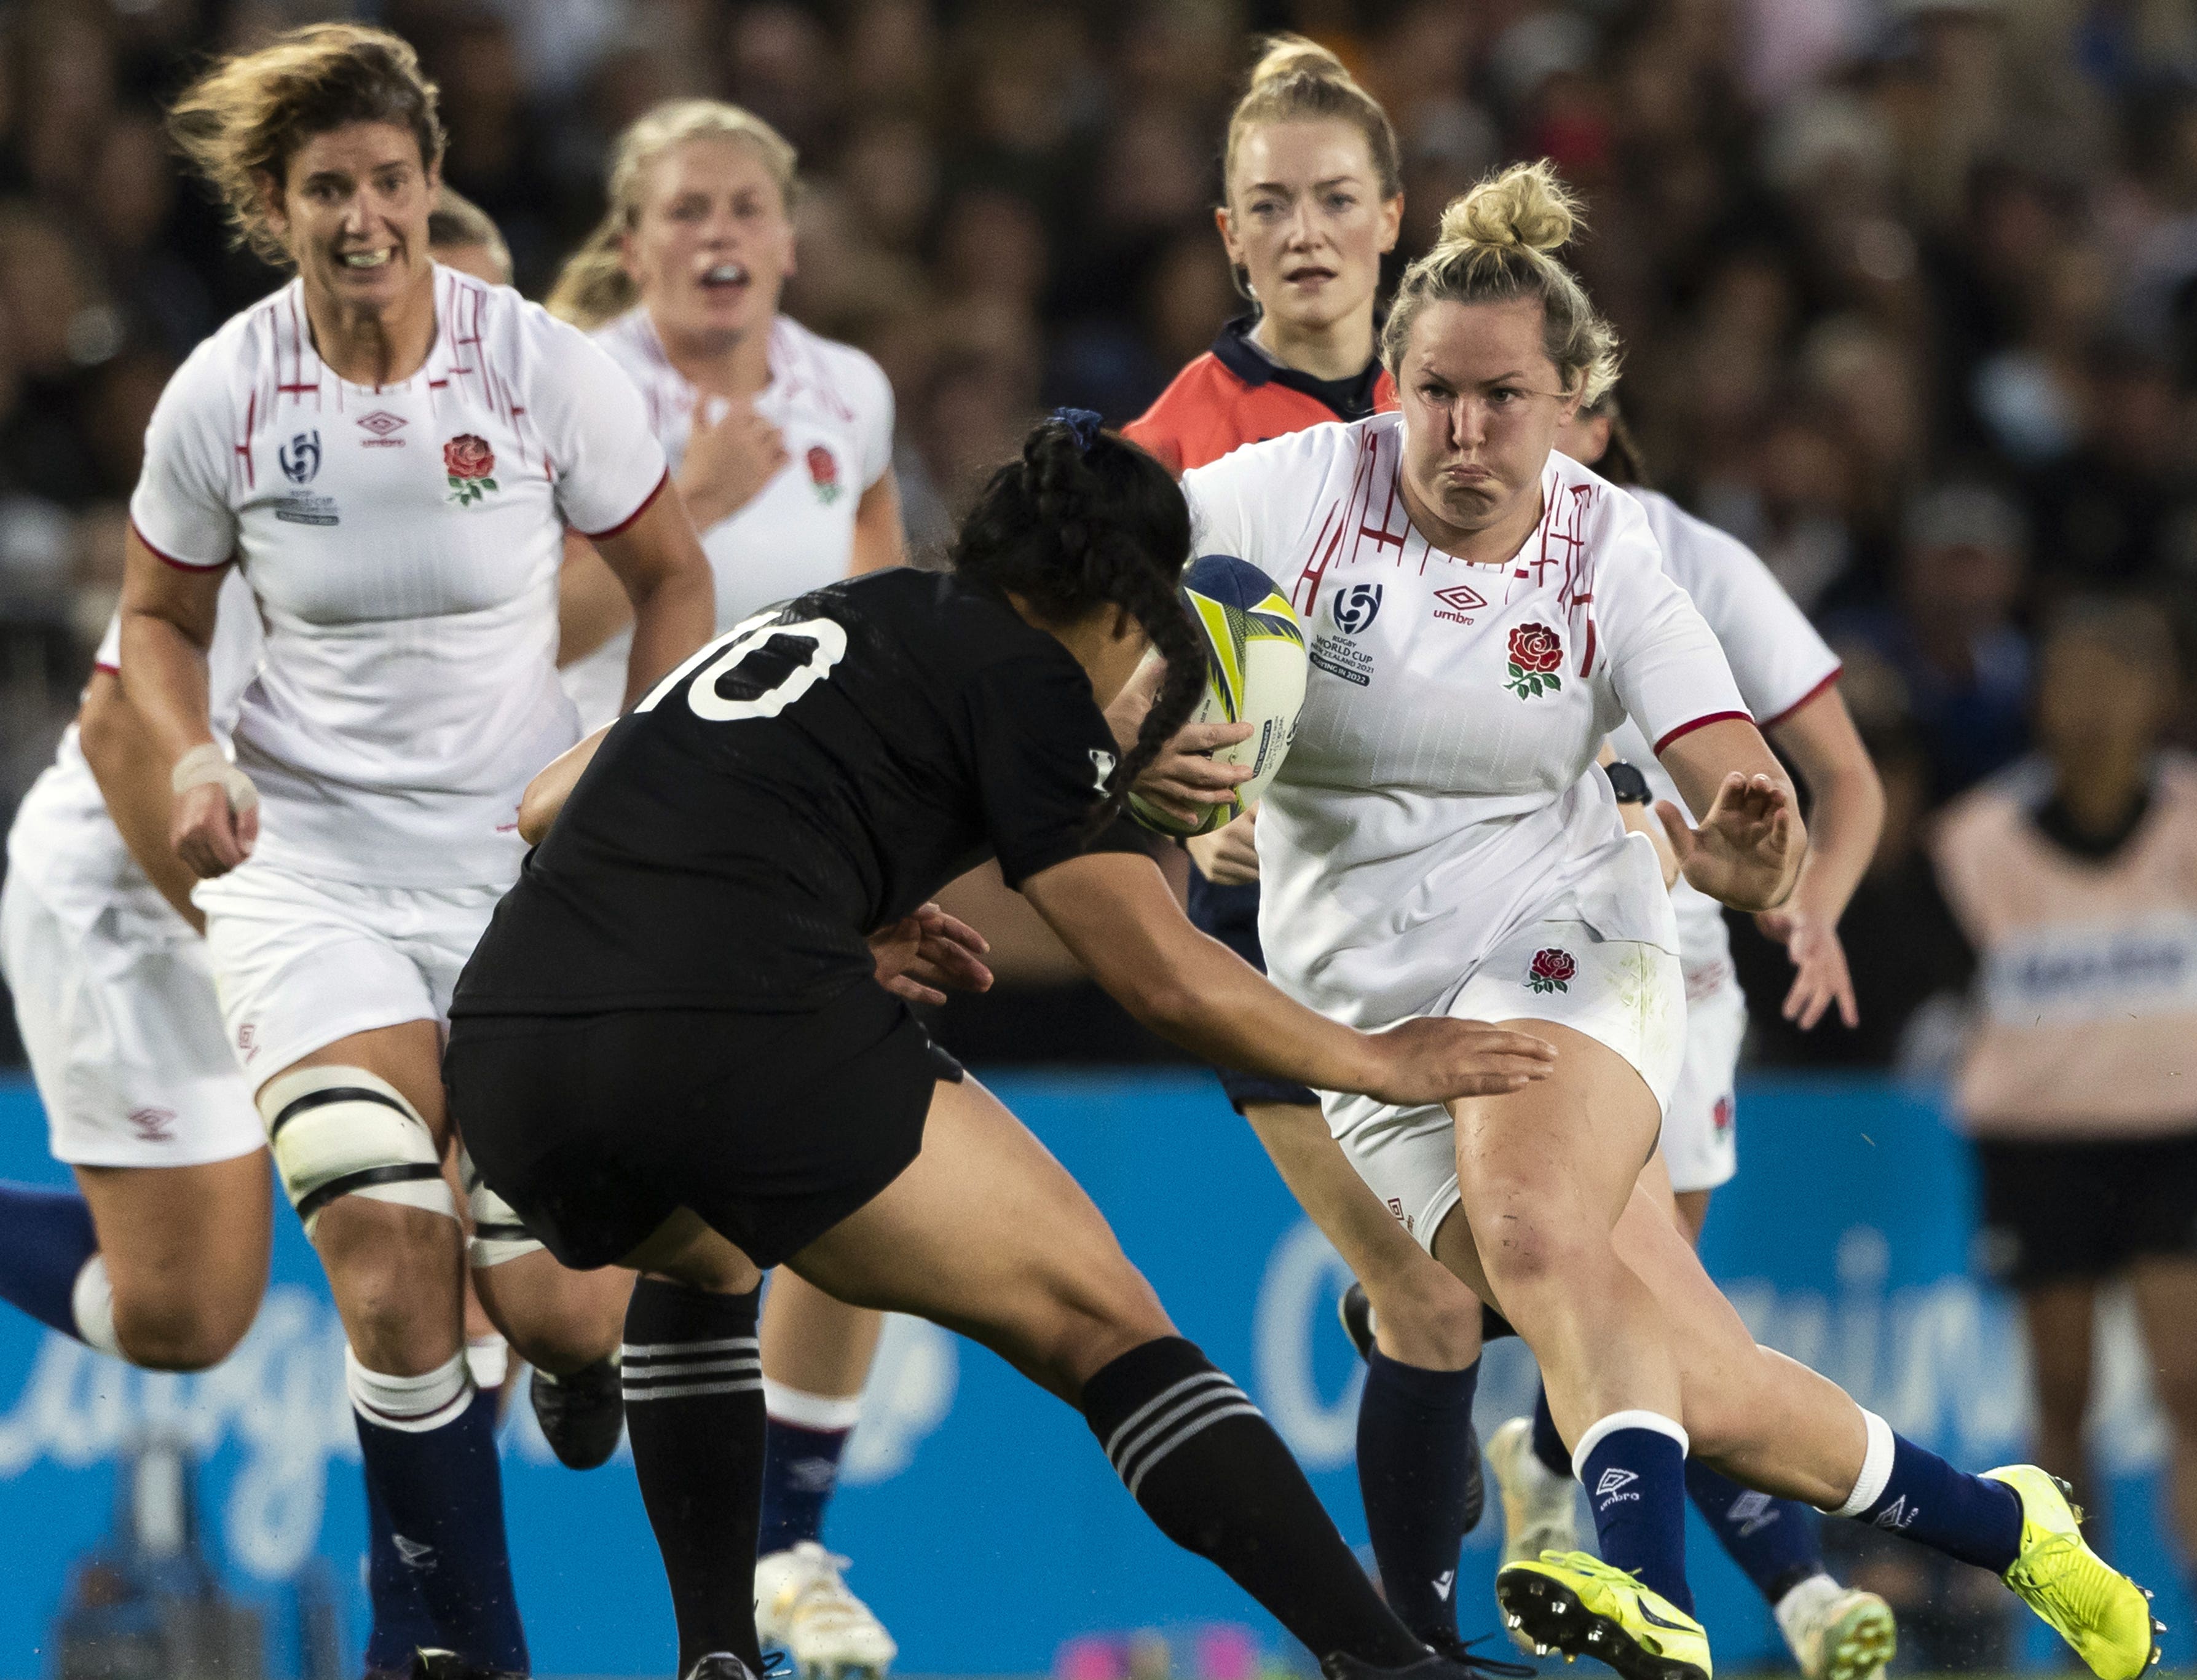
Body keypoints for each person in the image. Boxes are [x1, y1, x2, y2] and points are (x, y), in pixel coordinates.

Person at [1177, 160, 2158, 1680]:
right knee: (1703, 1371)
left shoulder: (1609, 547)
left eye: (1503, 397)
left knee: (1523, 1224)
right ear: (1394, 384)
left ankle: (1648, 1594)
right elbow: (1095, 583)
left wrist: (1756, 848)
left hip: (1577, 936)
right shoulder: (1288, 497)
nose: (1463, 431)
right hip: (1366, 1017)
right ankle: (2009, 1524)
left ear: (1569, 400)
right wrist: (1169, 757)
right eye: (1434, 391)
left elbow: (1733, 776)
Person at [440, 411, 1560, 1680]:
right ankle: (1387, 1662)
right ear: (1131, 615)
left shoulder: (839, 609)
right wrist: (1386, 1060)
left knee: (701, 1258)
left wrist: (833, 912)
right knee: (1104, 1319)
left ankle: (717, 1653)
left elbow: (548, 804)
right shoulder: (1028, 675)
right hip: (729, 1031)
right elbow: (1164, 975)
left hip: (510, 1039)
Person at [113, 26, 716, 1676]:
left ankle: (575, 1355)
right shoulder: (226, 390)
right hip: (310, 869)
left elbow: (673, 571)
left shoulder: (532, 367)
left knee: (557, 1309)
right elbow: (158, 615)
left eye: (390, 180)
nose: (366, 215)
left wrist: (629, 761)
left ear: (430, 181)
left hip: (523, 876)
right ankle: (456, 1646)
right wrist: (186, 754)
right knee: (384, 1237)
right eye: (328, 189)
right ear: (273, 203)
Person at [1119, 39, 1506, 1661]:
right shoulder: (1166, 449)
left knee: (1495, 1276)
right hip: (1268, 951)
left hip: (1477, 917)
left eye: (1335, 200)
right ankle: (1407, 1640)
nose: (1304, 232)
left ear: (1394, 217)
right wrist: (1165, 777)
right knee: (1428, 1299)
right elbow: (1073, 696)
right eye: (1269, 204)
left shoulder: (1479, 406)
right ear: (1224, 232)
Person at [545, 97, 908, 1678]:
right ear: (630, 245)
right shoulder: (575, 389)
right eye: (683, 210)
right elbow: (515, 637)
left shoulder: (855, 393)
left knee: (868, 1160)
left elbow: (886, 627)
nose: (717, 236)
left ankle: (791, 1549)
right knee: (604, 1286)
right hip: (584, 866)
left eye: (746, 207)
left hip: (795, 870)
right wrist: (686, 489)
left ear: (788, 234)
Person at [1456, 384, 1895, 1680]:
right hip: (1547, 965)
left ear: (1596, 421)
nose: (1513, 426)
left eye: (1548, 401)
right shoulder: (1450, 553)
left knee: (1664, 1307)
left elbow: (1848, 774)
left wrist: (1814, 903)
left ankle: (1544, 1473)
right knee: (1624, 1296)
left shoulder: (1694, 559)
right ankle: (1776, 1588)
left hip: (1692, 980)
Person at [1931, 599, 2197, 1670]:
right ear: (2041, 697)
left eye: (2116, 677)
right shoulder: (1976, 839)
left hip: (2175, 1140)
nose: (2090, 703)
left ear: (2158, 696)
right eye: (2070, 677)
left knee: (2194, 1395)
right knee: (2063, 1401)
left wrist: (2177, 1051)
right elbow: (1943, 988)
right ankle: (2094, 1631)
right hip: (2038, 1151)